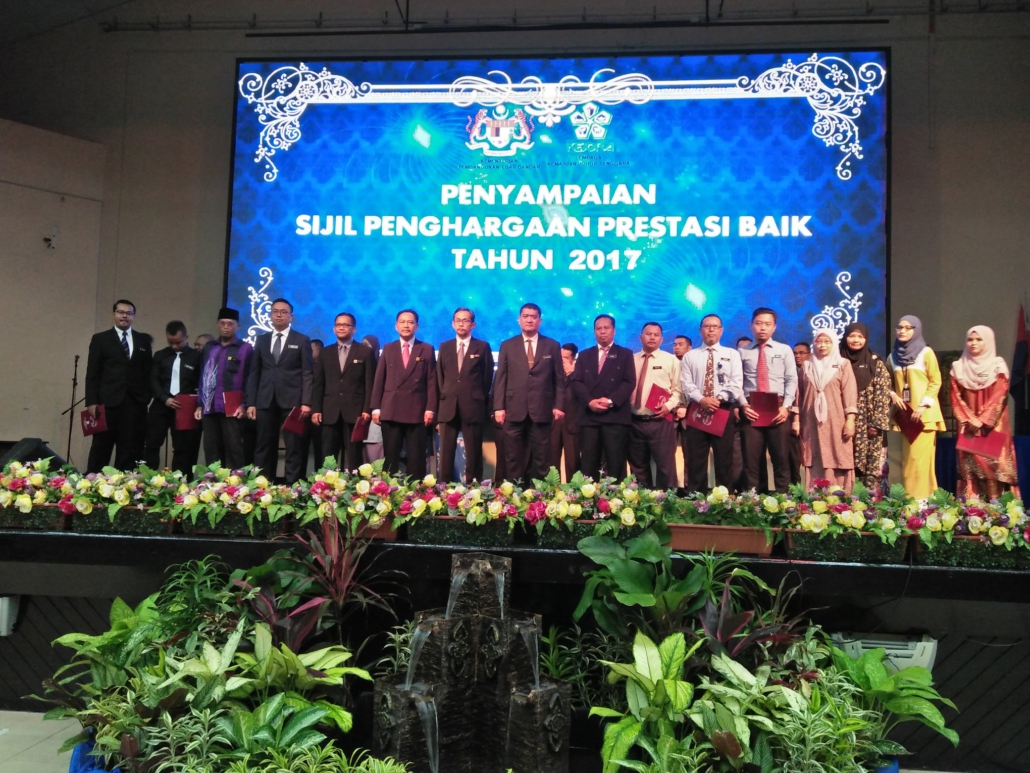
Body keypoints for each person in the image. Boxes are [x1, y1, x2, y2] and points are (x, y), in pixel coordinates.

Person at [493, 303, 566, 484]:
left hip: (542, 409)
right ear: (519, 320)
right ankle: (514, 494)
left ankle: (539, 496)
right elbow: (500, 378)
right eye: (525, 316)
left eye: (533, 317)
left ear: (540, 321)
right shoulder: (507, 345)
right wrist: (498, 407)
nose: (529, 320)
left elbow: (558, 379)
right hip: (513, 409)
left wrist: (559, 405)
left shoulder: (552, 345)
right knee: (513, 458)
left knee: (542, 458)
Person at [245, 298, 313, 483]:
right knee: (263, 446)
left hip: (292, 401)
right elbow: (254, 373)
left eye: (283, 312)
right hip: (265, 400)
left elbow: (307, 373)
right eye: (275, 311)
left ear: (291, 316)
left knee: (293, 446)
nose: (279, 315)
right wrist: (251, 402)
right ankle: (262, 486)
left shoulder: (301, 340)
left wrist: (306, 402)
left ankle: (292, 488)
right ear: (270, 315)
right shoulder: (261, 340)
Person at [950, 325, 1020, 499]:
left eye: (979, 339)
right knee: (970, 468)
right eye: (970, 339)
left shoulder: (998, 366)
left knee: (996, 466)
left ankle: (999, 509)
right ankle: (972, 509)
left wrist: (982, 420)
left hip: (993, 424)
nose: (973, 343)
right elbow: (955, 397)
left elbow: (1000, 394)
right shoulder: (958, 367)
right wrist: (969, 419)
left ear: (988, 341)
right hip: (968, 426)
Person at [85, 300, 153, 472]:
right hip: (107, 402)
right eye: (120, 312)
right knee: (102, 445)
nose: (124, 316)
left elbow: (148, 372)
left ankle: (126, 483)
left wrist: (146, 397)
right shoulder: (100, 339)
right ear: (113, 314)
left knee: (130, 447)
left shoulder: (143, 340)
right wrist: (91, 401)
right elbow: (93, 372)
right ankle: (94, 480)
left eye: (129, 313)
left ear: (134, 316)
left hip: (135, 402)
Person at [371, 309, 437, 479]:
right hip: (391, 409)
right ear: (396, 326)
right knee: (391, 457)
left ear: (417, 326)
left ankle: (416, 492)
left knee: (416, 458)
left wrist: (430, 408)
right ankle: (388, 491)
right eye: (402, 322)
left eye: (410, 322)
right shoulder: (389, 348)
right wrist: (376, 408)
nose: (406, 325)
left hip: (417, 410)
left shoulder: (426, 349)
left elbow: (431, 381)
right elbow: (379, 379)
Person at [679, 314, 743, 491]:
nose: (711, 329)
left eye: (715, 326)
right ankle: (696, 500)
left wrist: (718, 398)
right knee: (696, 459)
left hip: (723, 409)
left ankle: (723, 500)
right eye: (707, 326)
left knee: (724, 459)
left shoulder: (732, 354)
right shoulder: (690, 356)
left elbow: (736, 382)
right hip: (697, 408)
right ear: (700, 330)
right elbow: (686, 384)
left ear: (721, 330)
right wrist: (702, 399)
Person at [738, 308, 798, 493]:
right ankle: (753, 503)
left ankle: (783, 502)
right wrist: (743, 405)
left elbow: (791, 379)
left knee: (781, 460)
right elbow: (736, 382)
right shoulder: (742, 352)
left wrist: (786, 407)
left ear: (774, 327)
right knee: (751, 462)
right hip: (751, 408)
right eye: (758, 323)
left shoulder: (784, 349)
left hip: (778, 408)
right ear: (751, 325)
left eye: (767, 324)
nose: (762, 328)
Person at [887, 315, 945, 499]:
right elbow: (885, 382)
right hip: (905, 418)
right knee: (906, 459)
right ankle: (916, 500)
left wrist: (922, 405)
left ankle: (918, 500)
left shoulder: (926, 353)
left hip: (924, 415)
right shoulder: (893, 357)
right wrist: (892, 394)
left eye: (908, 327)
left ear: (916, 330)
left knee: (919, 460)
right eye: (899, 327)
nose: (902, 331)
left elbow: (935, 381)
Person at [572, 314, 636, 481]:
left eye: (606, 328)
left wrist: (610, 401)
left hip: (615, 417)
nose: (602, 332)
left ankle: (618, 497)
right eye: (598, 328)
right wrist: (589, 401)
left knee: (616, 463)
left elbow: (629, 382)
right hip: (589, 417)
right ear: (594, 331)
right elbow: (576, 381)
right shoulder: (584, 355)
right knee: (588, 464)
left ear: (614, 331)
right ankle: (588, 496)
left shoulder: (625, 354)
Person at [311, 313, 375, 472]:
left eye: (345, 325)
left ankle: (355, 486)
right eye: (338, 325)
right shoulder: (325, 352)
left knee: (354, 457)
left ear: (354, 329)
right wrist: (316, 409)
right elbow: (318, 383)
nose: (341, 328)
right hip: (329, 411)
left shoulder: (365, 352)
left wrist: (367, 409)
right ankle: (326, 486)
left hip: (355, 411)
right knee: (328, 457)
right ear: (334, 329)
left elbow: (369, 383)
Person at [795, 329, 858, 491]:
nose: (822, 345)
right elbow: (799, 395)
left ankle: (841, 497)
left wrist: (850, 420)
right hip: (811, 423)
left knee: (838, 456)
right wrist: (796, 420)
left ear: (834, 343)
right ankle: (815, 497)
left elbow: (850, 394)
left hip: (836, 421)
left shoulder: (843, 364)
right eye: (818, 341)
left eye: (827, 341)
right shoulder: (807, 366)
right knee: (813, 457)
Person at [436, 307, 494, 483]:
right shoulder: (445, 346)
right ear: (453, 324)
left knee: (474, 451)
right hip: (448, 406)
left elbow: (487, 378)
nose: (461, 324)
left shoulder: (482, 347)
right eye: (458, 320)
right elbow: (440, 377)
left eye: (465, 320)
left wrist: (476, 397)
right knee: (446, 453)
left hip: (473, 406)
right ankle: (444, 489)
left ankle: (473, 489)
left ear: (473, 325)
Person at [195, 308, 253, 469]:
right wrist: (199, 404)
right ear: (217, 325)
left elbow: (250, 379)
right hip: (209, 405)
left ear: (238, 326)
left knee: (234, 449)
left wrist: (244, 404)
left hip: (233, 408)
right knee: (211, 449)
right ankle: (212, 482)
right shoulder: (209, 347)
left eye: (230, 323)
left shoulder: (246, 348)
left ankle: (235, 483)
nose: (226, 326)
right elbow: (203, 376)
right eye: (222, 323)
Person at [628, 322, 683, 489]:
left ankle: (667, 502)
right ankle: (640, 501)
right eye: (648, 334)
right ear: (640, 337)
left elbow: (678, 390)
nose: (652, 337)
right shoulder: (631, 360)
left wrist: (668, 406)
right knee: (637, 467)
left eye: (656, 335)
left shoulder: (671, 360)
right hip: (634, 421)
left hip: (661, 421)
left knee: (666, 466)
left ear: (661, 339)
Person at [144, 320, 202, 473]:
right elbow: (153, 379)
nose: (175, 346)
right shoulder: (160, 355)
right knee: (152, 443)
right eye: (171, 343)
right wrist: (165, 399)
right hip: (161, 404)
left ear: (186, 337)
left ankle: (179, 478)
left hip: (184, 406)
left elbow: (201, 381)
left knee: (182, 446)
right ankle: (148, 478)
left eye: (178, 342)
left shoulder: (196, 357)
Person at [840, 323, 891, 493]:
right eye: (852, 336)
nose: (856, 340)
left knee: (872, 470)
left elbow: (883, 394)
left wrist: (876, 423)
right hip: (843, 424)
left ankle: (872, 505)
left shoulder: (875, 362)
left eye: (860, 337)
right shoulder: (837, 361)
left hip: (870, 427)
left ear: (866, 339)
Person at [550, 343, 580, 481]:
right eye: (560, 357)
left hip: (572, 424)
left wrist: (573, 374)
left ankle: (573, 492)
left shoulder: (579, 374)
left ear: (573, 359)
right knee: (551, 464)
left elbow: (583, 394)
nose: (561, 361)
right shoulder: (552, 373)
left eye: (566, 358)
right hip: (553, 423)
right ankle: (552, 490)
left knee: (573, 463)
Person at [788, 342, 812, 484]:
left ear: (809, 354)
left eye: (802, 353)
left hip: (810, 419)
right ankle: (795, 489)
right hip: (791, 419)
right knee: (793, 457)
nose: (797, 356)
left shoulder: (813, 372)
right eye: (795, 353)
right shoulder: (789, 372)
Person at [672, 335, 693, 489]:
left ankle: (689, 488)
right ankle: (670, 489)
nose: (676, 347)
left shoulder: (694, 363)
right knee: (667, 455)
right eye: (675, 344)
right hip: (671, 414)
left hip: (691, 415)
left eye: (680, 344)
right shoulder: (669, 363)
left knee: (691, 454)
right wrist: (676, 407)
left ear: (689, 348)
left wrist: (686, 408)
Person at [360, 335, 385, 463]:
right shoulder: (359, 365)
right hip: (360, 415)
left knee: (376, 460)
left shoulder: (382, 364)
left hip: (377, 417)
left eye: (367, 345)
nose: (364, 348)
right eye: (362, 344)